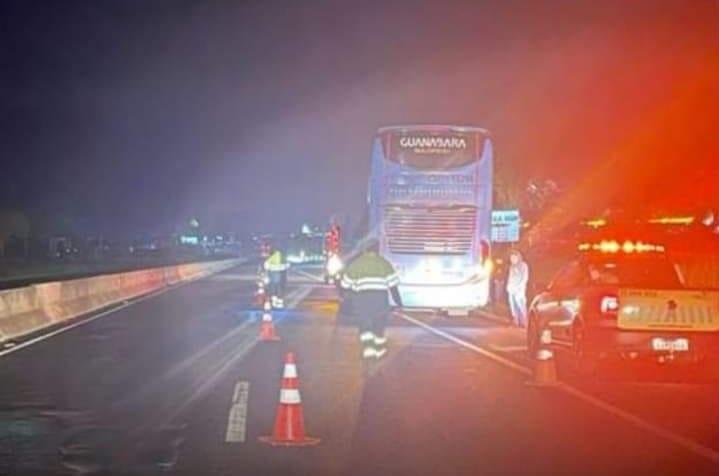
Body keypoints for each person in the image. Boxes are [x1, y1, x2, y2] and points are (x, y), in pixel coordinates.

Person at [341, 239, 402, 359]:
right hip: (380, 302)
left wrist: (348, 300)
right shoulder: (384, 263)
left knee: (365, 328)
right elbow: (393, 286)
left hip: (362, 302)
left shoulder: (356, 264)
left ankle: (369, 353)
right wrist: (398, 302)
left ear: (365, 249)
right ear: (377, 249)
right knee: (379, 330)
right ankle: (379, 352)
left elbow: (345, 286)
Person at [506, 249, 529, 327]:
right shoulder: (512, 267)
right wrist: (508, 286)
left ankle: (524, 322)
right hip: (512, 289)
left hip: (519, 289)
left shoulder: (523, 265)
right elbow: (510, 277)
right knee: (513, 305)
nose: (512, 260)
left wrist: (520, 287)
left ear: (518, 257)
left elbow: (524, 278)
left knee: (520, 304)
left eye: (514, 258)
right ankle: (516, 321)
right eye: (511, 258)